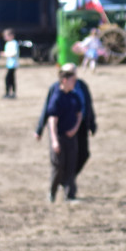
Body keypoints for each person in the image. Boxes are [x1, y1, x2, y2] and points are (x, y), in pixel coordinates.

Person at [35, 63, 97, 180]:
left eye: (74, 73)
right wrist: (39, 129)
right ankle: (65, 182)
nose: (73, 76)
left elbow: (88, 105)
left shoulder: (82, 86)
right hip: (62, 128)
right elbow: (47, 110)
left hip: (81, 126)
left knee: (83, 154)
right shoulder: (55, 88)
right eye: (69, 74)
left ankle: (68, 178)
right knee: (62, 159)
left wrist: (92, 124)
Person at [45, 65, 82, 203]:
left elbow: (79, 114)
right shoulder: (57, 98)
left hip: (71, 137)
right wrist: (54, 140)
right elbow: (52, 121)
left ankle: (69, 195)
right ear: (64, 81)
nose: (75, 83)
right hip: (59, 137)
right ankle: (52, 192)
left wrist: (75, 129)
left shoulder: (74, 96)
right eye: (72, 80)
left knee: (71, 166)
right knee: (58, 166)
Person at [1, 29, 19, 99]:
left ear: (11, 36)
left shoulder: (14, 43)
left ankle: (11, 93)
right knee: (10, 79)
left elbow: (13, 53)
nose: (5, 37)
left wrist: (4, 54)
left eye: (6, 36)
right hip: (9, 64)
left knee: (9, 79)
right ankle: (9, 93)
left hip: (13, 64)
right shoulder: (8, 43)